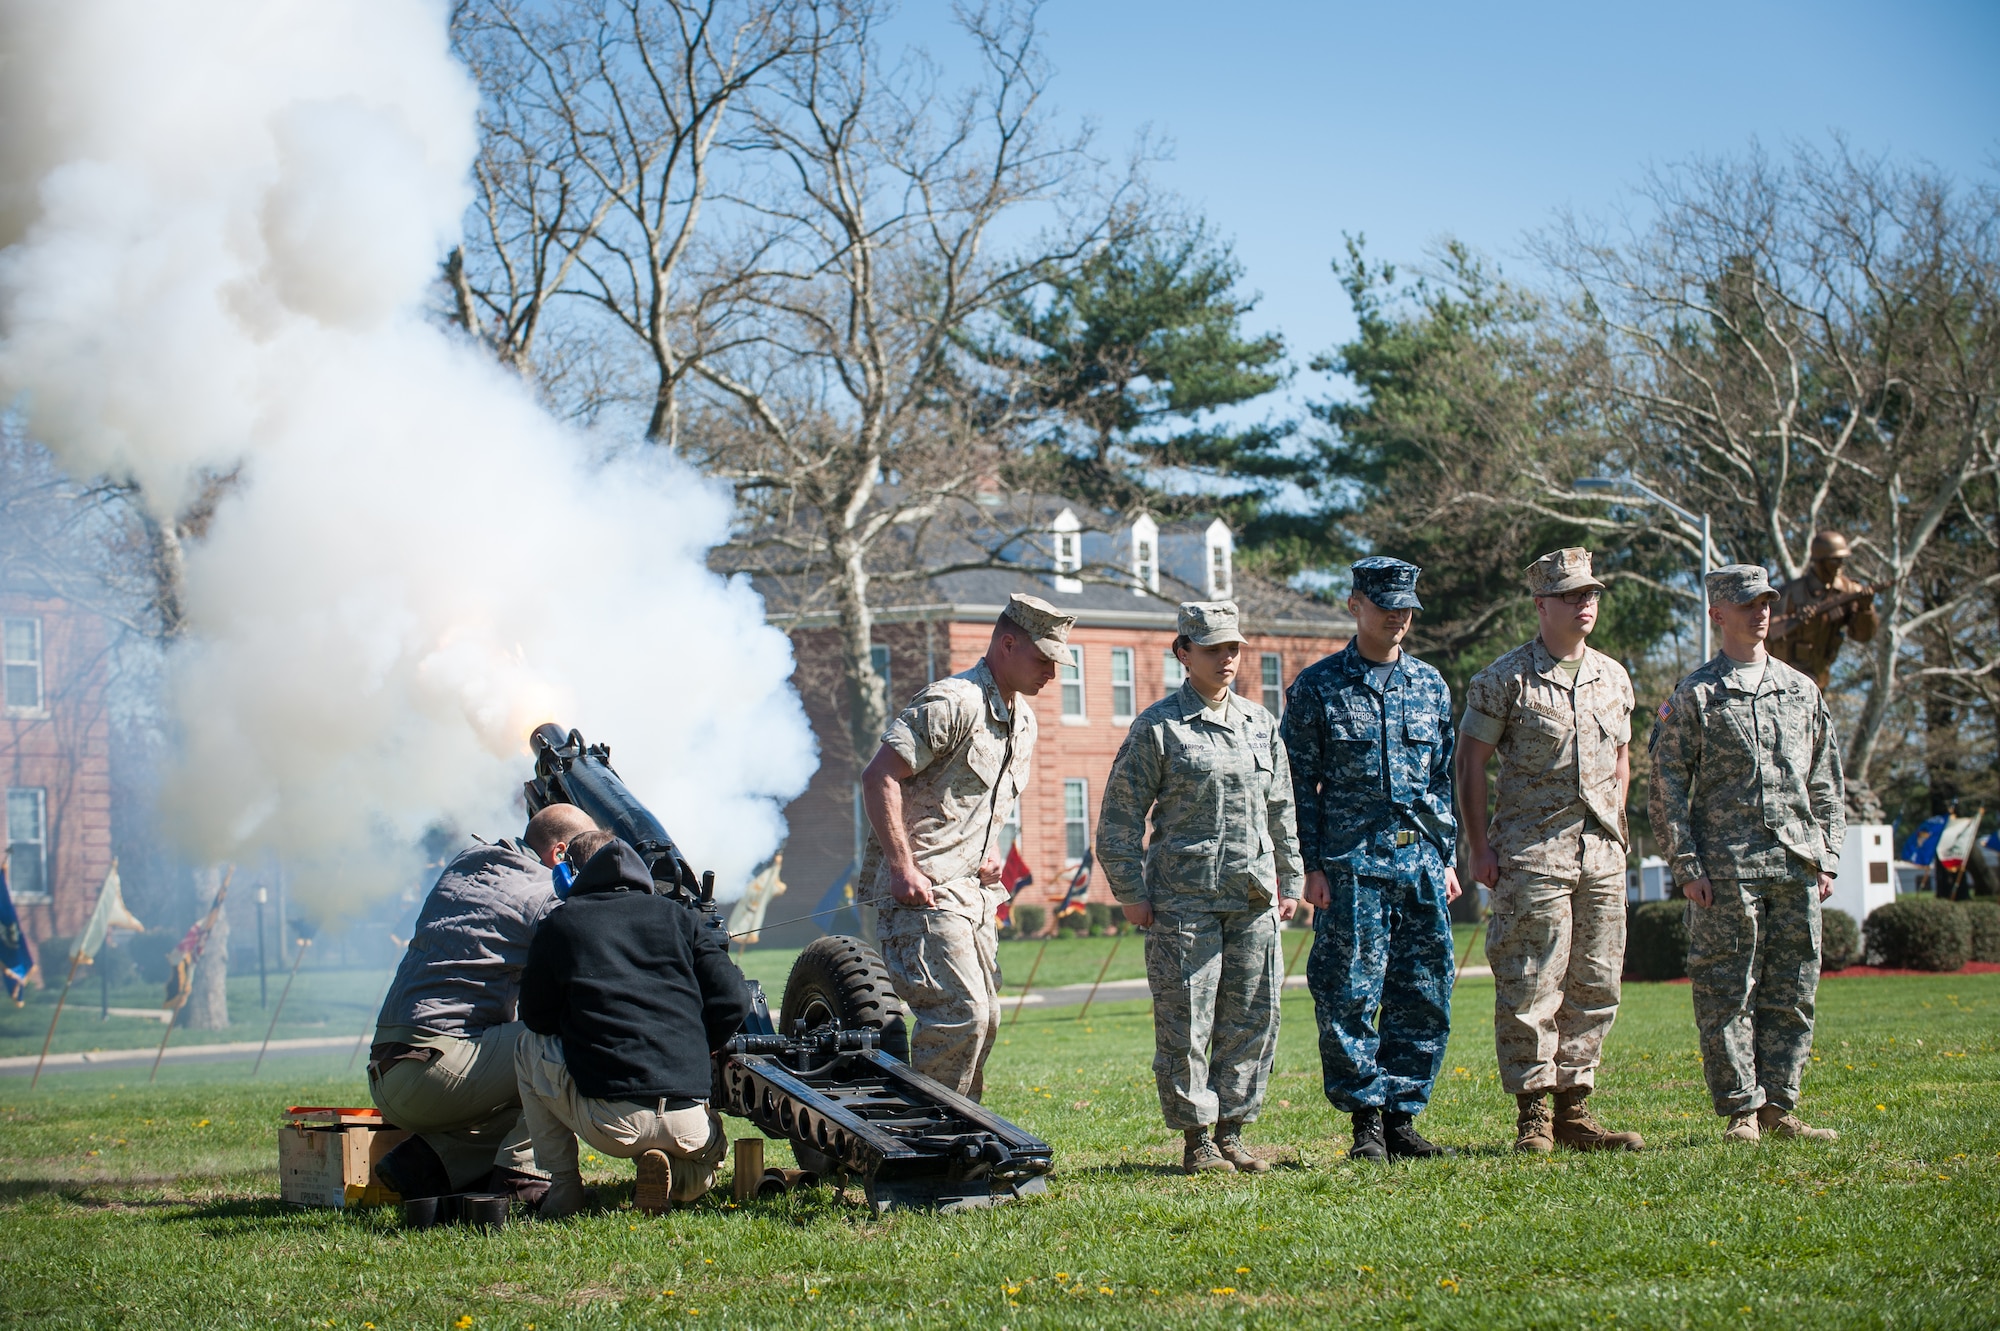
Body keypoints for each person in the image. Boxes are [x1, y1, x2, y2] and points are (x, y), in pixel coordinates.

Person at [1098, 602, 1304, 1175]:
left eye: (1233, 648)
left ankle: (1234, 1131)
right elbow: (1118, 818)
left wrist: (1289, 877)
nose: (1227, 659)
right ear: (1182, 652)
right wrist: (1131, 892)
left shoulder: (1260, 723)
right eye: (1213, 648)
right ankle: (1198, 1139)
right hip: (1182, 900)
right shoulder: (1158, 727)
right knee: (1187, 1021)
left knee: (1253, 1016)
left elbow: (1282, 806)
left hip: (1253, 898)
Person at [1649, 565, 1846, 1144]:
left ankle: (1780, 1109)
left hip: (1794, 865)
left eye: (1765, 601)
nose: (1760, 612)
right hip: (1726, 871)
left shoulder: (1800, 688)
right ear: (1718, 614)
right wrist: (1686, 867)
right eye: (1746, 603)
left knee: (1794, 990)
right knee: (1727, 991)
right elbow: (1665, 787)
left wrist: (1827, 856)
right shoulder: (1696, 694)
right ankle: (1741, 1110)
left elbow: (1826, 779)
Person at [1458, 548, 1643, 1154]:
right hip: (1532, 854)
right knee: (1530, 981)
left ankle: (1575, 1110)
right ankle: (1532, 1114)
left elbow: (1621, 759)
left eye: (1590, 594)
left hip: (1601, 855)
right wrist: (1479, 847)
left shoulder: (1614, 676)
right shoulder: (1503, 679)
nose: (1584, 604)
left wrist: (1619, 827)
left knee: (1595, 980)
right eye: (1571, 595)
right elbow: (1471, 765)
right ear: (1541, 605)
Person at [1281, 557, 1463, 1162]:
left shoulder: (1430, 686)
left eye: (1405, 606)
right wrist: (1309, 865)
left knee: (1424, 991)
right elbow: (1298, 787)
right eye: (1385, 605)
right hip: (1350, 867)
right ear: (1355, 605)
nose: (1397, 617)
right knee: (1348, 994)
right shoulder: (1317, 687)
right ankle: (1367, 1123)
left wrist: (1447, 856)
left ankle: (1405, 1117)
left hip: (1419, 869)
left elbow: (1441, 783)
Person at [858, 592, 1071, 1098]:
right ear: (1007, 643)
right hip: (922, 892)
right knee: (961, 1017)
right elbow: (878, 777)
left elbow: (986, 800)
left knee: (986, 1018)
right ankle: (928, 1145)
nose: (1052, 674)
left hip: (973, 896)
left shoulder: (1023, 721)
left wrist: (990, 849)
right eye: (1043, 660)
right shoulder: (953, 702)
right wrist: (901, 867)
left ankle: (961, 1139)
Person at [514, 830, 753, 1218]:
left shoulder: (561, 923)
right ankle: (677, 1178)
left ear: (573, 873)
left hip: (610, 1124)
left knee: (525, 1047)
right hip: (687, 1122)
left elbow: (535, 1017)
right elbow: (735, 998)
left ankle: (564, 1190)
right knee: (707, 1164)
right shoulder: (683, 918)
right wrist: (697, 1043)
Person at [368, 801, 597, 1206]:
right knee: (570, 1041)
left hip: (389, 1068)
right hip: (439, 1066)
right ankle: (522, 1181)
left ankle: (426, 1165)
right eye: (583, 859)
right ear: (560, 854)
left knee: (529, 1091)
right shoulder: (543, 893)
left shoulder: (465, 862)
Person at [1767, 530, 1877, 690]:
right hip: (1785, 674)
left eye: (1842, 560)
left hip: (1819, 675)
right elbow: (1765, 631)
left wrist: (1865, 609)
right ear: (1819, 561)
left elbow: (1863, 635)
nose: (1840, 566)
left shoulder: (1849, 590)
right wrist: (1798, 620)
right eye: (1834, 561)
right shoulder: (1791, 591)